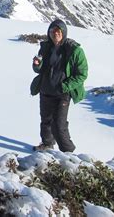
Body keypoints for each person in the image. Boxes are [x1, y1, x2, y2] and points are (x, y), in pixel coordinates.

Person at [30, 19, 88, 152]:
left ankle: (68, 151)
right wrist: (36, 65)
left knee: (59, 125)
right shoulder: (46, 47)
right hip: (46, 90)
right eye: (52, 31)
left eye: (58, 31)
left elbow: (82, 74)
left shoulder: (74, 50)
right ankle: (47, 144)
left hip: (62, 93)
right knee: (46, 121)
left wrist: (66, 86)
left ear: (64, 32)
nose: (55, 33)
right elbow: (40, 70)